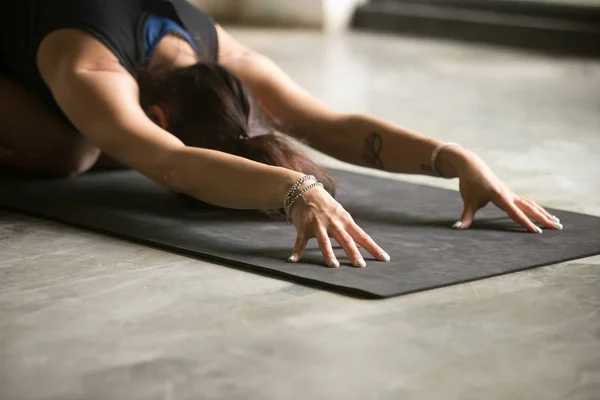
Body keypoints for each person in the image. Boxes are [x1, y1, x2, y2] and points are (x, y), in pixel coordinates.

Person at [0, 0, 562, 269]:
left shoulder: (222, 52)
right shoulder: (90, 69)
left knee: (100, 141)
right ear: (161, 119)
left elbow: (326, 123)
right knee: (70, 151)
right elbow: (172, 163)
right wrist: (295, 189)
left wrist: (452, 157)